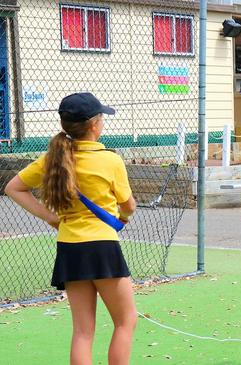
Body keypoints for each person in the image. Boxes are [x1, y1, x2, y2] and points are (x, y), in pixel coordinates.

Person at [5, 92, 138, 364]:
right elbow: (130, 206)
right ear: (93, 125)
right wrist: (122, 218)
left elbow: (13, 188)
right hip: (103, 247)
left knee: (82, 331)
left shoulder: (52, 158)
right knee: (126, 321)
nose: (103, 123)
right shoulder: (110, 160)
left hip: (69, 248)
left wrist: (51, 218)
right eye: (102, 118)